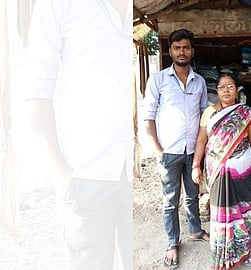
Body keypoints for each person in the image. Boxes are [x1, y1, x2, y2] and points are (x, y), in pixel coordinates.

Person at [24, 0, 133, 269]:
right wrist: (61, 173)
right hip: (86, 174)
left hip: (129, 171)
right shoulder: (58, 5)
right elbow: (35, 95)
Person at [143, 28, 210, 269]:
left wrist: (203, 151)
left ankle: (194, 230)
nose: (182, 52)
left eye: (186, 47)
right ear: (170, 50)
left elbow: (204, 116)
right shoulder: (158, 80)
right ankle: (173, 242)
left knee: (193, 195)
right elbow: (148, 116)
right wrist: (158, 149)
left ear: (192, 51)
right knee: (170, 201)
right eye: (177, 47)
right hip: (169, 152)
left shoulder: (200, 82)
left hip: (193, 152)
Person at [192, 73, 251, 269]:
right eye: (222, 86)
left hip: (242, 169)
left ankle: (245, 249)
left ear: (237, 90)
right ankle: (221, 252)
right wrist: (196, 165)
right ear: (217, 91)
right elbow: (201, 140)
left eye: (230, 86)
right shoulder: (209, 113)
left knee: (243, 209)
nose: (226, 89)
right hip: (217, 170)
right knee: (221, 212)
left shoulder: (245, 113)